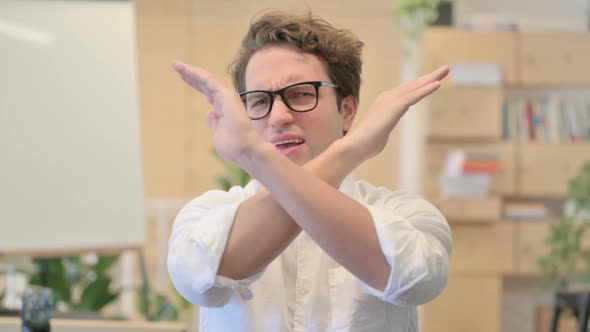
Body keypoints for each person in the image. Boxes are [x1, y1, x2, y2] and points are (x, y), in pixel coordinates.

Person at [167, 11, 452, 332]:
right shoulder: (208, 213)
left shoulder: (406, 213)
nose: (278, 117)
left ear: (346, 111)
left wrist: (255, 154)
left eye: (301, 94)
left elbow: (413, 280)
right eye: (259, 102)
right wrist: (353, 149)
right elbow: (202, 282)